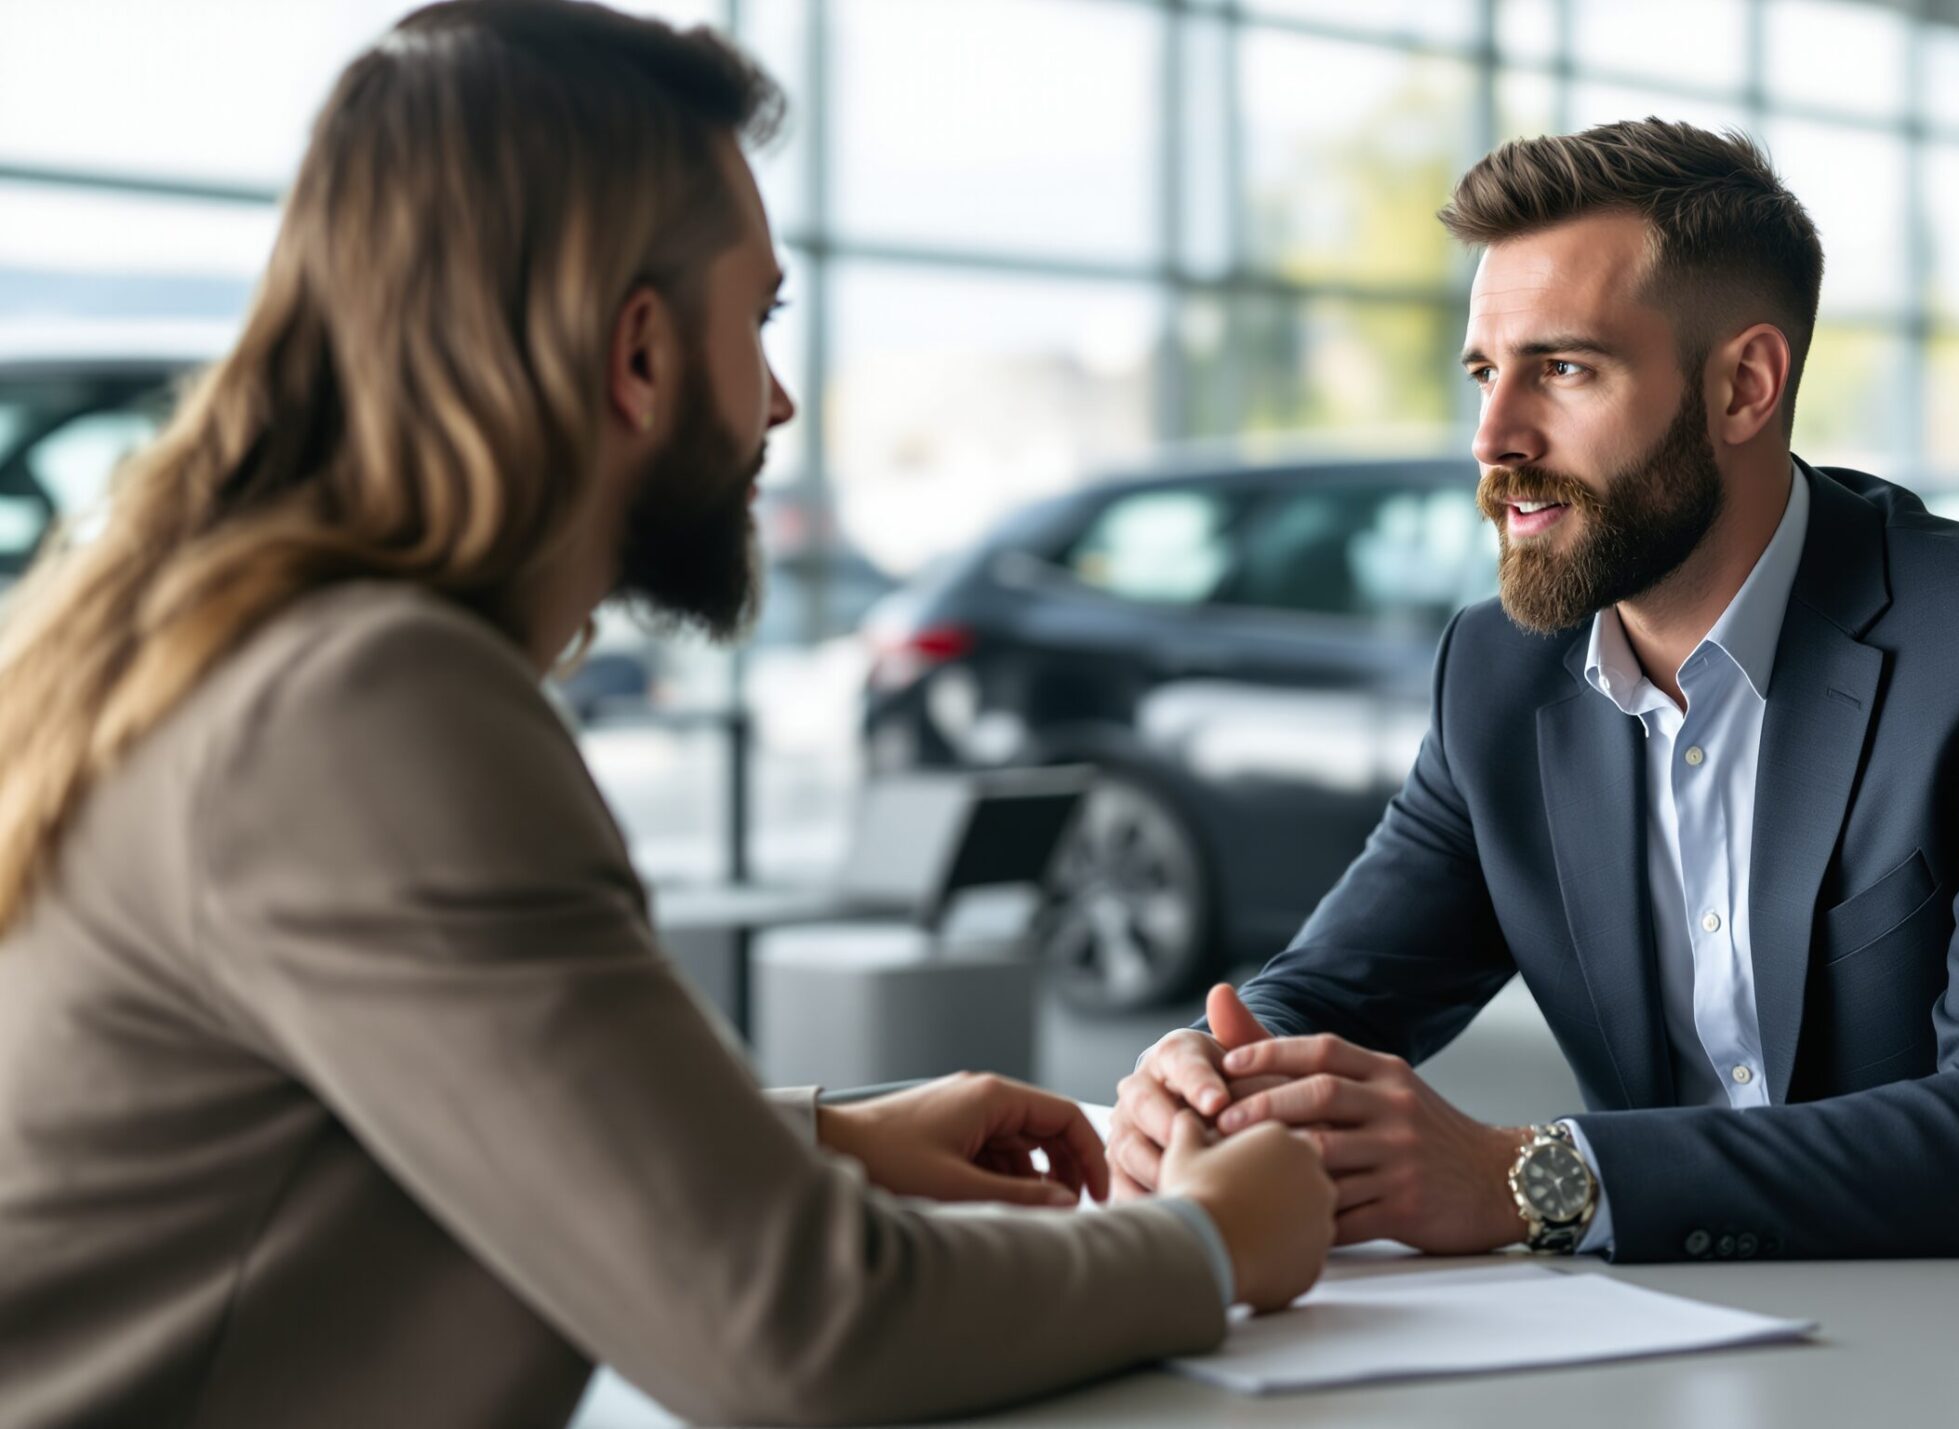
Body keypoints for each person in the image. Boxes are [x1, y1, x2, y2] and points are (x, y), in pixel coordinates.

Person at [0, 4, 1334, 1426]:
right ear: (637, 353)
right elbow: (797, 1332)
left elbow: (374, 1110)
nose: (775, 402)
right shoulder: (362, 702)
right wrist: (1210, 1242)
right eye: (755, 322)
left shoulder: (210, 643)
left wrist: (823, 1145)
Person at [1108, 118, 1959, 1266]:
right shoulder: (1499, 673)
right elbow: (1332, 988)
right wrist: (1206, 1072)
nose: (1494, 436)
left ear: (1743, 385)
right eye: (1486, 372)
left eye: (1564, 368)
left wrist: (1530, 1178)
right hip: (1668, 1346)